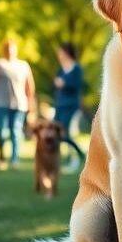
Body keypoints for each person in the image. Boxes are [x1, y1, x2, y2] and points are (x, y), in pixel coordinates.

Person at [0, 39, 35, 170]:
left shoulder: (23, 65)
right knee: (0, 132)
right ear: (4, 50)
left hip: (19, 103)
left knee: (15, 131)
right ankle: (2, 156)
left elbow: (29, 86)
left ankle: (15, 159)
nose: (10, 51)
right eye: (8, 48)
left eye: (12, 48)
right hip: (1, 103)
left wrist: (30, 102)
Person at [53, 42, 86, 172]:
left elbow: (76, 86)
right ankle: (62, 159)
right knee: (57, 134)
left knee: (66, 134)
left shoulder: (76, 68)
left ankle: (78, 156)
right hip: (60, 105)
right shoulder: (61, 69)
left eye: (61, 52)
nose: (59, 55)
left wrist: (64, 83)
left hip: (71, 106)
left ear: (67, 53)